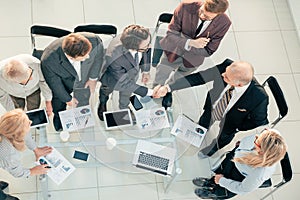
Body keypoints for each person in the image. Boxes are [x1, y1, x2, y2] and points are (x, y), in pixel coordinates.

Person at [156, 59, 269, 157]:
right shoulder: (227, 66)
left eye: (226, 78)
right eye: (225, 72)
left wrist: (238, 127)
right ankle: (202, 129)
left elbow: (259, 121)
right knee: (204, 122)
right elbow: (199, 77)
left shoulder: (260, 97)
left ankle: (213, 149)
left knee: (223, 138)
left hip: (232, 122)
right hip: (213, 106)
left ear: (239, 85)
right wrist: (169, 87)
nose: (222, 75)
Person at [153, 0, 231, 107]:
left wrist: (185, 42)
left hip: (193, 60)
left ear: (219, 15)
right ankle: (156, 88)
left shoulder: (224, 23)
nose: (202, 16)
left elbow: (209, 51)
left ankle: (168, 90)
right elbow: (171, 34)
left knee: (179, 78)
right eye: (202, 11)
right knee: (162, 72)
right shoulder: (185, 6)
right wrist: (191, 43)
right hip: (172, 50)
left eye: (208, 17)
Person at [193, 128, 287, 199]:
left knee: (224, 189)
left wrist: (222, 181)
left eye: (256, 141)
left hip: (239, 176)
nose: (256, 137)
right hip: (235, 160)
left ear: (261, 152)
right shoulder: (268, 136)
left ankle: (214, 193)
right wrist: (241, 145)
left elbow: (241, 188)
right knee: (219, 173)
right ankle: (211, 182)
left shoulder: (259, 173)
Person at [41, 32, 104, 131]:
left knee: (83, 98)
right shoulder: (48, 60)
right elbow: (55, 84)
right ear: (71, 57)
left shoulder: (94, 40)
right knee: (58, 101)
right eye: (84, 56)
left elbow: (99, 58)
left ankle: (82, 118)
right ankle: (59, 118)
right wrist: (68, 99)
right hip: (63, 81)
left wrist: (93, 79)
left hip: (84, 78)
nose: (88, 57)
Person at [98, 24, 157, 121]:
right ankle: (103, 103)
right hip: (112, 79)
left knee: (127, 93)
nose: (150, 46)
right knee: (105, 91)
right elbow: (123, 82)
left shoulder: (142, 39)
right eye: (146, 45)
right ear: (133, 47)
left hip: (131, 75)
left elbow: (146, 52)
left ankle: (124, 107)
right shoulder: (114, 55)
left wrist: (145, 71)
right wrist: (148, 92)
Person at [0, 109, 52, 199]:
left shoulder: (6, 124)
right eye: (28, 123)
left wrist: (36, 149)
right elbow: (17, 172)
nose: (31, 122)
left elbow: (24, 133)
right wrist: (33, 171)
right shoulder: (9, 153)